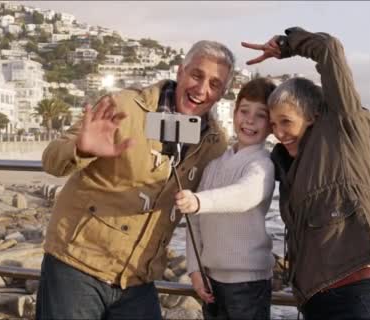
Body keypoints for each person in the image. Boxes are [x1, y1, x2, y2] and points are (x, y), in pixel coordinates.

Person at [36, 40, 235, 319]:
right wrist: (81, 149)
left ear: (222, 94)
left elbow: (210, 211)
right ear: (180, 72)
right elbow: (51, 161)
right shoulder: (124, 106)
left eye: (215, 84)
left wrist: (204, 267)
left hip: (138, 278)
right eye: (197, 75)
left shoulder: (214, 143)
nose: (202, 89)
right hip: (77, 263)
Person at [242, 27, 370, 319]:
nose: (278, 133)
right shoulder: (290, 166)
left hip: (361, 298)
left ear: (314, 116)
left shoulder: (343, 133)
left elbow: (329, 49)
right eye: (273, 124)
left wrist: (285, 45)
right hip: (317, 303)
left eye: (286, 122)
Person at [174, 77, 276, 320]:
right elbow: (194, 223)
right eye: (244, 111)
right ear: (234, 112)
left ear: (271, 124)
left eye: (260, 115)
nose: (250, 120)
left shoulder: (262, 164)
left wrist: (199, 201)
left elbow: (244, 194)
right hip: (211, 281)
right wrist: (195, 269)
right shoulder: (213, 166)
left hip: (248, 285)